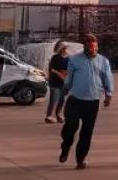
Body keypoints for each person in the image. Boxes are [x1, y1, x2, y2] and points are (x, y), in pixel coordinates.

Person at [59, 33, 114, 170]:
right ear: (84, 47)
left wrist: (108, 94)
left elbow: (107, 78)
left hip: (92, 102)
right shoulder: (74, 60)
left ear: (97, 46)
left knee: (87, 132)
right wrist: (65, 88)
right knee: (70, 128)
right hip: (75, 100)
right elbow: (69, 79)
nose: (92, 48)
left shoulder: (103, 61)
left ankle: (80, 159)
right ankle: (66, 146)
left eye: (94, 45)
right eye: (89, 45)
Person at [45, 42, 70, 124]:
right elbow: (51, 69)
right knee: (54, 99)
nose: (65, 50)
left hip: (63, 82)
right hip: (55, 81)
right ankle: (49, 116)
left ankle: (58, 115)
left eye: (65, 48)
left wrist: (65, 73)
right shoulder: (55, 57)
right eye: (63, 48)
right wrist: (59, 74)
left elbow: (70, 67)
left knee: (61, 100)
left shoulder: (67, 58)